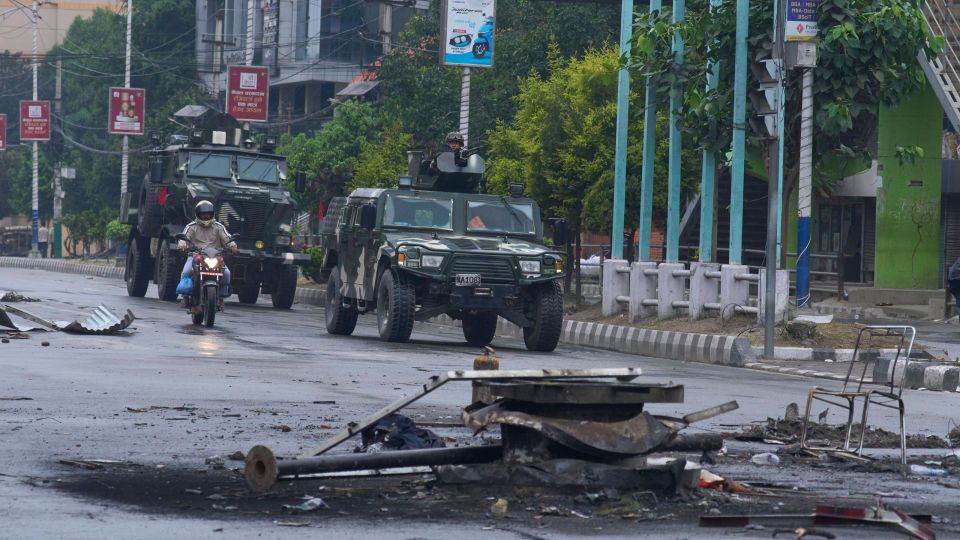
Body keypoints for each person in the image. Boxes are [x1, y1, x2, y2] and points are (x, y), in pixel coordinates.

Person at [178, 200, 237, 299]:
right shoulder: (191, 227)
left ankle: (221, 297)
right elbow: (184, 237)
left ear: (213, 214)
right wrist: (183, 245)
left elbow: (227, 237)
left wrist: (232, 245)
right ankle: (185, 297)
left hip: (215, 257)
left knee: (227, 274)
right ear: (197, 215)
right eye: (203, 215)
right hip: (195, 256)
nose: (206, 217)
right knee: (186, 272)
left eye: (208, 215)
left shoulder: (219, 227)